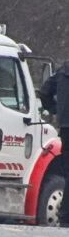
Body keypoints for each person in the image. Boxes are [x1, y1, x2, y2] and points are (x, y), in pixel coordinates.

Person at [39, 61, 69, 226]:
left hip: (65, 127)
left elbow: (44, 92)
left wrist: (56, 110)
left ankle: (65, 215)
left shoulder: (62, 71)